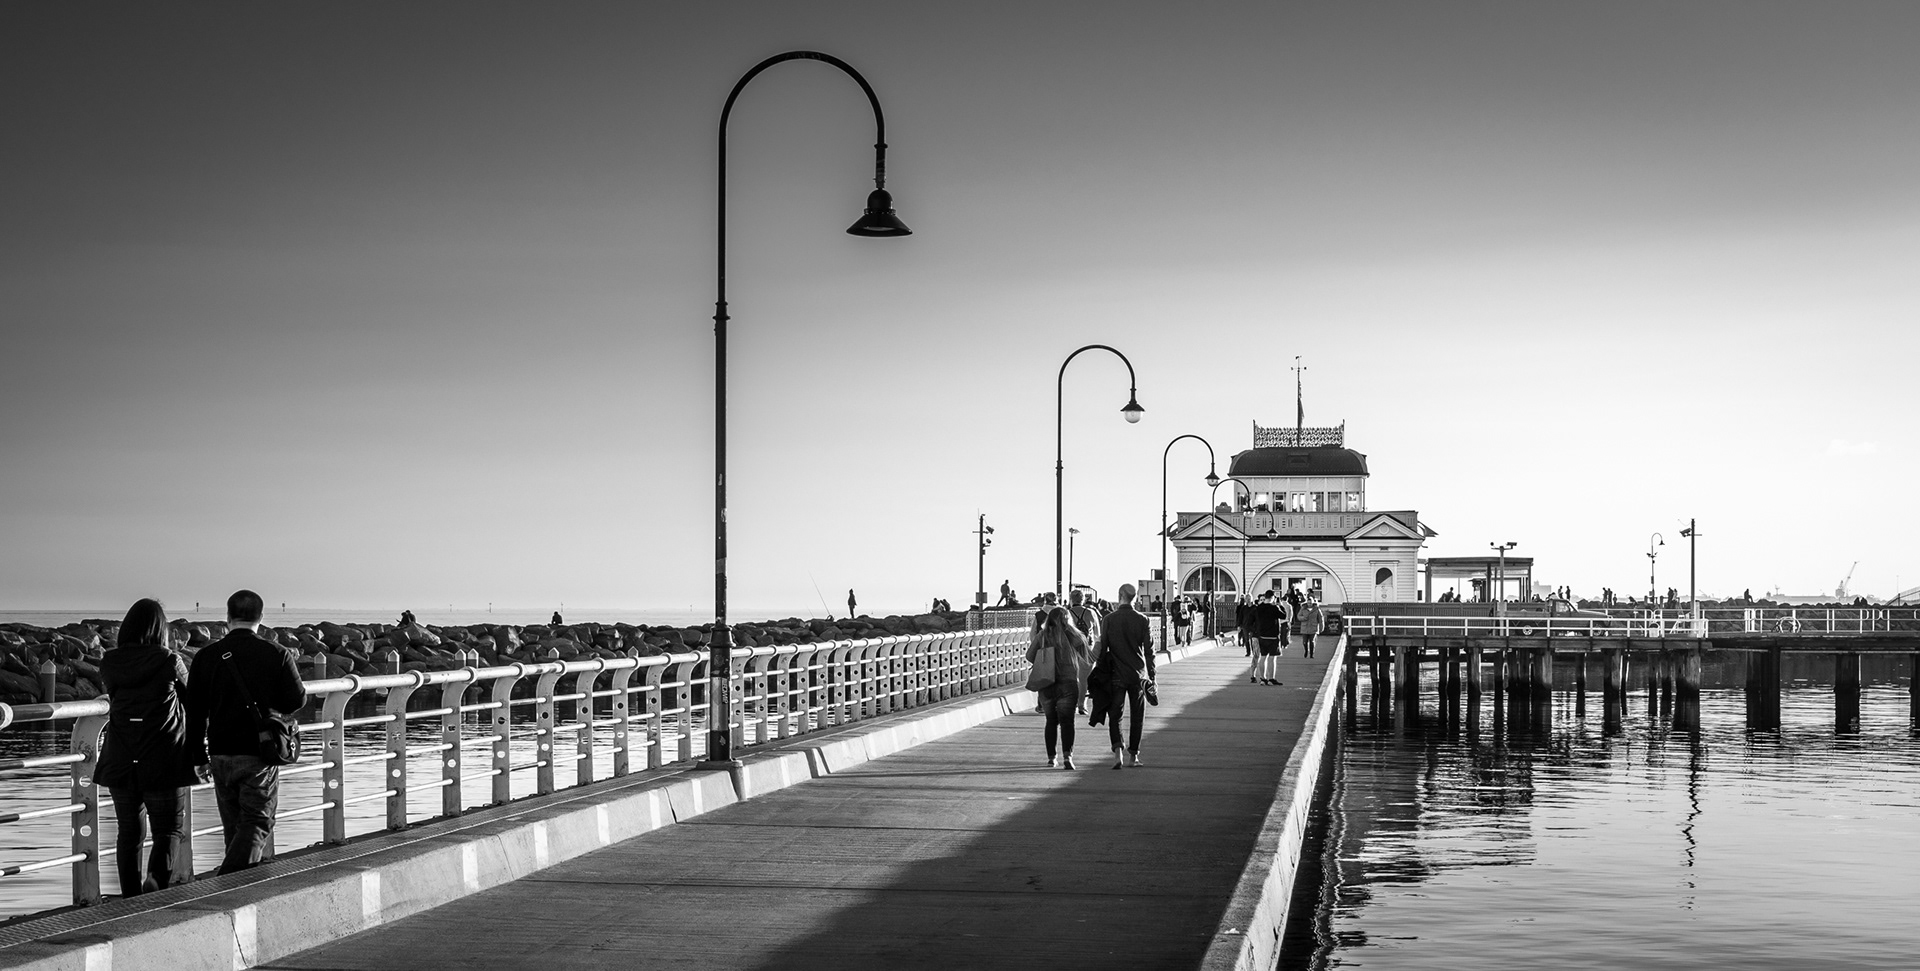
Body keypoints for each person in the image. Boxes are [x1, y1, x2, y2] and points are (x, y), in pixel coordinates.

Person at [186, 589, 307, 875]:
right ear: (261, 618)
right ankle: (230, 879)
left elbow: (194, 710)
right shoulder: (276, 653)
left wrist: (197, 755)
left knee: (234, 826)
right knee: (257, 821)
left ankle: (239, 885)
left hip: (219, 750)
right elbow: (297, 700)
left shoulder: (206, 656)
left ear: (227, 618)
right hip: (259, 750)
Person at [95, 598, 200, 895]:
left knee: (129, 832)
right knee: (167, 829)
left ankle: (130, 894)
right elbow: (193, 699)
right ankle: (156, 881)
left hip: (121, 757)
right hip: (163, 757)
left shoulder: (109, 661)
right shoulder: (168, 660)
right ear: (160, 629)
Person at [1095, 583, 1155, 769]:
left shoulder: (1109, 619)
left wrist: (1099, 673)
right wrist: (1152, 676)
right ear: (1135, 597)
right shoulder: (1143, 619)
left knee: (1115, 714)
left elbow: (1103, 647)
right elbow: (1149, 651)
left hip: (1116, 674)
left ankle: (1117, 751)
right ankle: (1134, 756)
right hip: (1138, 674)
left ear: (1120, 595)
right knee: (1138, 716)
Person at [1029, 606, 1091, 769]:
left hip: (1047, 683)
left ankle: (1051, 758)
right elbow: (1087, 656)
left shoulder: (1043, 636)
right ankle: (1067, 757)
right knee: (1067, 722)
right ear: (1067, 619)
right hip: (1068, 683)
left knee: (1051, 721)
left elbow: (1029, 656)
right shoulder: (1074, 635)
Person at [1250, 592, 1284, 685]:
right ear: (1272, 597)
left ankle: (1262, 678)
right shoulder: (1274, 608)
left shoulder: (1258, 608)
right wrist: (1280, 605)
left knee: (1263, 657)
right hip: (1273, 636)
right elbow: (1283, 615)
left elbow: (1252, 620)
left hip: (1262, 636)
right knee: (1272, 658)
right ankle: (1271, 679)